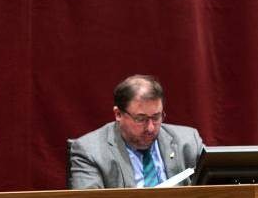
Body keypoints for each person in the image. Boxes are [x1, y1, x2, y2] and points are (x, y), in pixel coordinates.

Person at [69, 74, 203, 189]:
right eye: (141, 119)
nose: (151, 128)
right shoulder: (90, 151)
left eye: (156, 117)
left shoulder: (189, 141)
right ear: (118, 114)